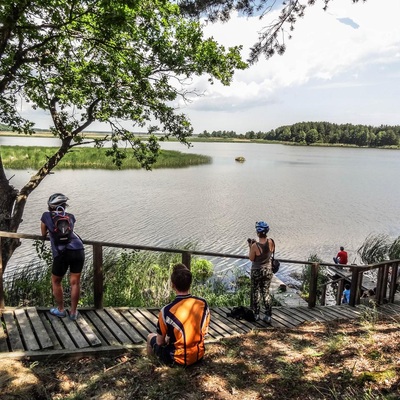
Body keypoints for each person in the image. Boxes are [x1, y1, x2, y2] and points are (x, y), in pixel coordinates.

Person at [147, 263, 210, 366]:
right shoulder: (203, 303)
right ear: (190, 283)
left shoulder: (166, 311)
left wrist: (168, 339)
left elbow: (159, 342)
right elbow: (205, 332)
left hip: (177, 360)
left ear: (173, 285)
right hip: (199, 356)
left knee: (150, 337)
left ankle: (151, 364)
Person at [41, 193, 85, 321]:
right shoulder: (71, 217)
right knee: (75, 282)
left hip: (62, 253)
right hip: (78, 249)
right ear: (64, 205)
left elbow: (43, 233)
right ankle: (73, 312)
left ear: (50, 206)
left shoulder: (46, 216)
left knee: (56, 281)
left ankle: (60, 310)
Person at [248, 221, 274, 324]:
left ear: (258, 233)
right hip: (268, 270)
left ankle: (256, 314)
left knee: (256, 292)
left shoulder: (255, 246)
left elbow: (251, 258)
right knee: (266, 292)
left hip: (257, 271)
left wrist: (250, 246)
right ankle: (268, 315)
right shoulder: (271, 242)